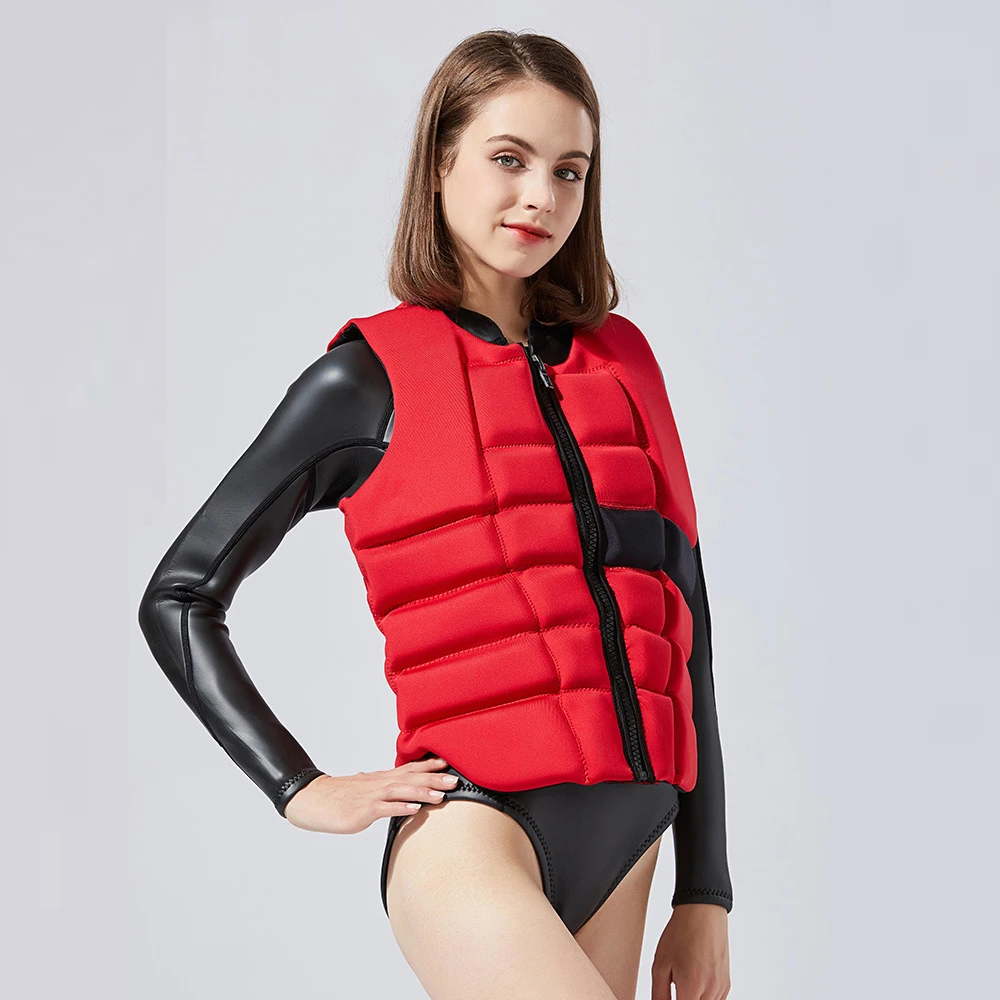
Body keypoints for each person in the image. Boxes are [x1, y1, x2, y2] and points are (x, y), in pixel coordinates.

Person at [138, 29, 732, 1000]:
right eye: (509, 159)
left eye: (569, 171)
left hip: (635, 832)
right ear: (442, 161)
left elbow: (684, 627)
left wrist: (706, 890)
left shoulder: (625, 364)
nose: (541, 197)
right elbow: (179, 596)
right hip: (476, 830)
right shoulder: (365, 377)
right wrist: (297, 785)